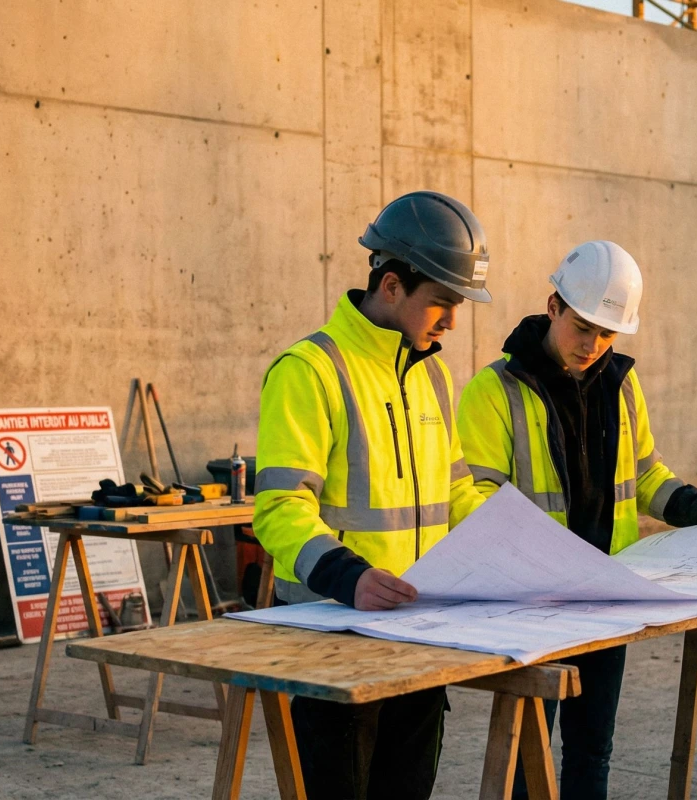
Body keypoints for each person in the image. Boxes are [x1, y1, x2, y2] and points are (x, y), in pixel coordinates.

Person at [456, 239, 697, 799]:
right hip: (532, 605)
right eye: (582, 326)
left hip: (606, 599)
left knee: (592, 750)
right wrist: (543, 560)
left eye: (607, 333)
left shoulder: (621, 384)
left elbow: (646, 474)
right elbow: (473, 499)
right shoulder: (494, 392)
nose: (592, 344)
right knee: (525, 757)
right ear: (553, 306)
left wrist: (695, 505)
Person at [253, 190, 491, 799]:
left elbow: (456, 493)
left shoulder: (432, 373)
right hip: (330, 643)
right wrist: (347, 576)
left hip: (420, 635)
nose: (452, 322)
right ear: (391, 286)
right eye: (442, 303)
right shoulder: (308, 371)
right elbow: (280, 511)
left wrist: (520, 544)